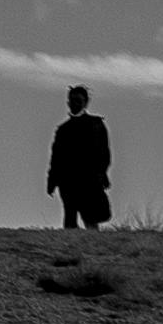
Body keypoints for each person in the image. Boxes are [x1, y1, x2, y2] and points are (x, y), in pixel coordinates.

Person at [45, 86, 111, 232]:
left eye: (78, 101)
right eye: (72, 100)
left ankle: (92, 248)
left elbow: (104, 153)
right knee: (70, 216)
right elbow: (56, 159)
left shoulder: (96, 124)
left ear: (86, 102)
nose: (75, 104)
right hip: (67, 181)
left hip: (90, 180)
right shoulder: (63, 130)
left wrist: (102, 174)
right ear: (68, 103)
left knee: (90, 218)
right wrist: (52, 181)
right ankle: (70, 250)